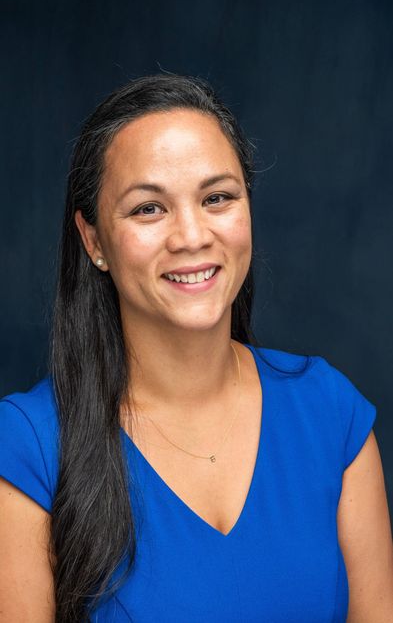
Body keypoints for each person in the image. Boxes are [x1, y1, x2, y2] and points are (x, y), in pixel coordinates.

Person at [0, 73, 392, 623]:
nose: (191, 236)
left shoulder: (330, 413)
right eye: (148, 209)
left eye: (217, 198)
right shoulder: (29, 447)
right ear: (93, 242)